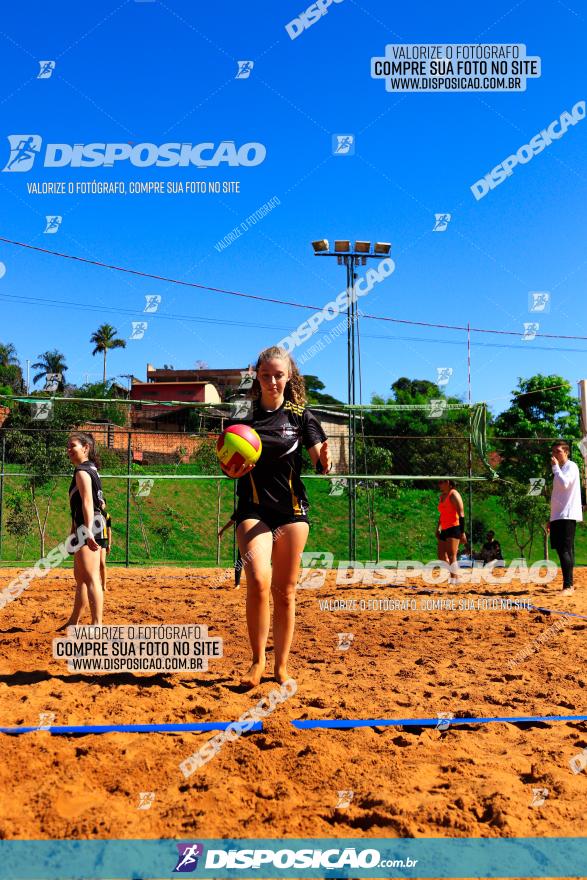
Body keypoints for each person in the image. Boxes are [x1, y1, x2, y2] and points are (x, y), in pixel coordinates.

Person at [225, 345, 331, 688]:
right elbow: (229, 466)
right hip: (253, 510)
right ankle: (256, 662)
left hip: (291, 511)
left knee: (285, 592)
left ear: (289, 377)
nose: (273, 381)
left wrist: (326, 461)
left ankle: (281, 667)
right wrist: (236, 467)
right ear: (257, 375)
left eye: (279, 375)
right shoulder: (243, 419)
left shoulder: (301, 416)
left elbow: (319, 460)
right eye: (266, 375)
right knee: (258, 581)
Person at [59, 432, 108, 629]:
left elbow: (88, 503)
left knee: (91, 578)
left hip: (88, 527)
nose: (69, 450)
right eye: (68, 446)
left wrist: (86, 532)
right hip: (86, 526)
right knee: (81, 579)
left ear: (85, 448)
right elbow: (94, 504)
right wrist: (74, 533)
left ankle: (97, 625)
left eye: (73, 446)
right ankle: (73, 622)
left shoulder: (82, 471)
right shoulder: (92, 469)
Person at [549, 440, 583, 594]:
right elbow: (557, 495)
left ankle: (568, 586)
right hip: (558, 515)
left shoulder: (571, 466)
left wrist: (555, 467)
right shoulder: (561, 469)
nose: (555, 454)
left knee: (565, 550)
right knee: (562, 550)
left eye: (558, 451)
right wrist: (550, 518)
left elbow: (565, 484)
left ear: (566, 452)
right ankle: (569, 584)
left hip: (567, 514)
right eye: (554, 451)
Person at [436, 479, 467, 584]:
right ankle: (455, 574)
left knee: (451, 554)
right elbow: (442, 513)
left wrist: (462, 532)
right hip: (444, 528)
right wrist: (438, 527)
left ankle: (454, 579)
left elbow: (461, 514)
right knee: (441, 555)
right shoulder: (442, 496)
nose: (439, 484)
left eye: (441, 482)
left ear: (448, 483)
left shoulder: (454, 495)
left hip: (454, 527)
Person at [99, 501, 112, 592]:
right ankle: (94, 584)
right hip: (93, 540)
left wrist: (109, 544)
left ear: (105, 505)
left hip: (103, 540)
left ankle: (104, 586)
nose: (101, 504)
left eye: (103, 503)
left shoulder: (107, 516)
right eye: (100, 502)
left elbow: (109, 530)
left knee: (102, 563)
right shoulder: (92, 513)